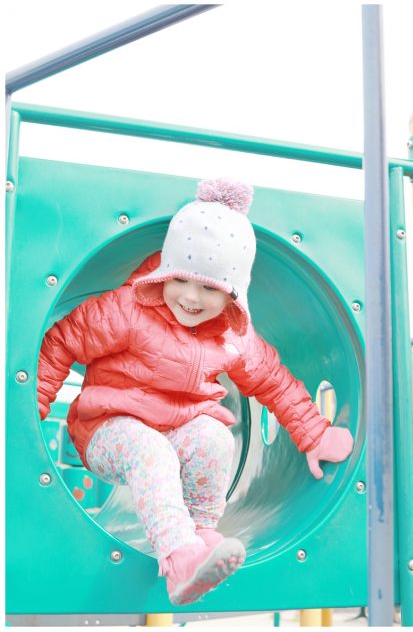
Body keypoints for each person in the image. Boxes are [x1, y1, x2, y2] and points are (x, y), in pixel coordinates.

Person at [37, 177, 354, 605]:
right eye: (182, 280)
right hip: (107, 429)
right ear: (165, 272)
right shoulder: (126, 309)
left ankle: (202, 537)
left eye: (210, 288)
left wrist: (313, 434)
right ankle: (178, 561)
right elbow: (62, 342)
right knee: (151, 451)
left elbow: (273, 380)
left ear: (233, 295)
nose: (191, 297)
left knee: (214, 437)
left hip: (179, 432)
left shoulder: (233, 338)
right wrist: (32, 408)